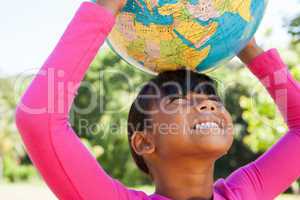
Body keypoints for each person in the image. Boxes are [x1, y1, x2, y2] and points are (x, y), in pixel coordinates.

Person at [15, 1, 300, 200]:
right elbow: (38, 119)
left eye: (212, 97)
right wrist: (104, 11)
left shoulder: (242, 193)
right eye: (177, 99)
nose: (209, 105)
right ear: (143, 142)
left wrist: (243, 41)